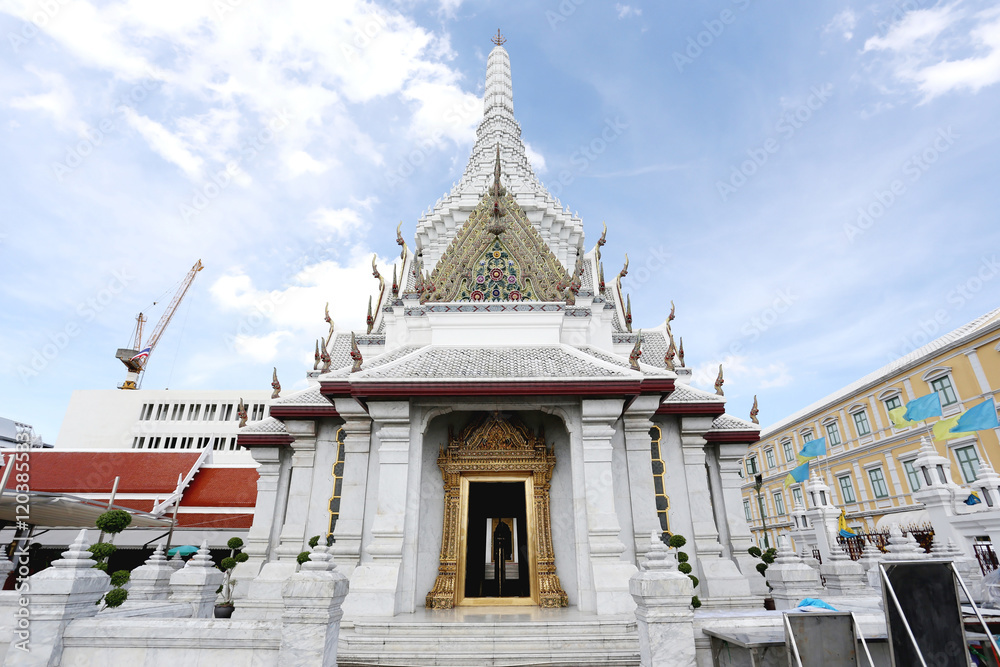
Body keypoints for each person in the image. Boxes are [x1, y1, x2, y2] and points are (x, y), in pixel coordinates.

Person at [493, 519, 512, 596]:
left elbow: (507, 539)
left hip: (503, 550)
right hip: (498, 551)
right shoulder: (497, 529)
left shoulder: (506, 528)